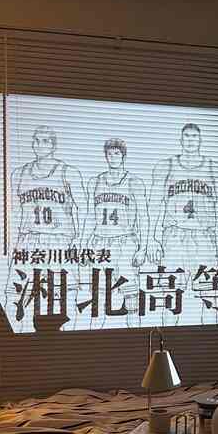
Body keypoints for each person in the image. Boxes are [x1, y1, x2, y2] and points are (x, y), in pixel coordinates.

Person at [144, 123, 218, 322]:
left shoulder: (214, 168)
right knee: (169, 297)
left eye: (194, 136)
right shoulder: (166, 166)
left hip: (204, 237)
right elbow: (154, 205)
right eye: (187, 136)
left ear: (200, 140)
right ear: (181, 140)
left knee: (210, 297)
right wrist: (151, 239)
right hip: (174, 236)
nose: (191, 140)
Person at [6, 126, 86, 332]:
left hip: (59, 241)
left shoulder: (68, 172)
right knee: (15, 296)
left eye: (45, 141)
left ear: (54, 145)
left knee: (66, 295)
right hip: (29, 241)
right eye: (36, 140)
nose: (40, 145)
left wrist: (80, 239)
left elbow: (84, 208)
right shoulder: (19, 174)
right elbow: (13, 213)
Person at [83, 138, 149, 327]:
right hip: (100, 241)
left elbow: (143, 217)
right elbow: (89, 216)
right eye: (110, 153)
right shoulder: (95, 182)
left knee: (130, 294)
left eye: (117, 153)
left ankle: (135, 333)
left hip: (125, 241)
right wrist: (85, 244)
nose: (113, 157)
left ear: (123, 156)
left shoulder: (134, 182)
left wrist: (142, 248)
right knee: (101, 293)